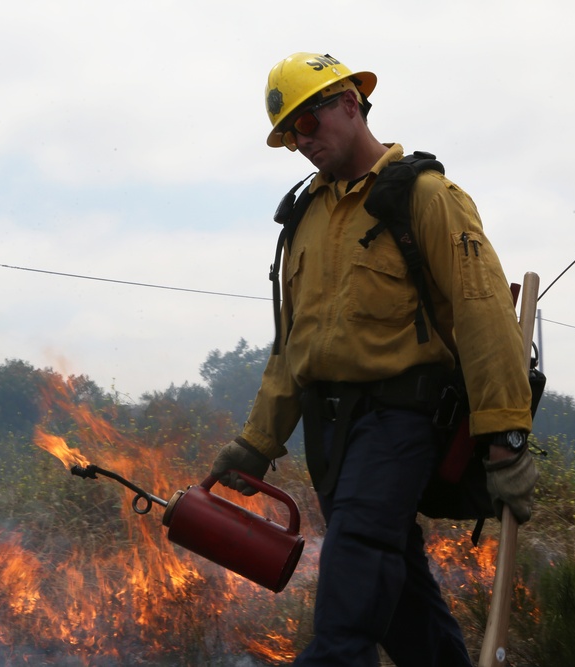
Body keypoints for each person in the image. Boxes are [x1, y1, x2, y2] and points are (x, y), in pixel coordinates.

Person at [209, 52, 538, 666]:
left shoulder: (427, 197)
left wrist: (505, 435)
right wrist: (256, 442)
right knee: (398, 588)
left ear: (350, 104)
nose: (301, 144)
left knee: (356, 560)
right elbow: (293, 345)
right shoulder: (305, 219)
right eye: (289, 137)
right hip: (327, 430)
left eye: (309, 124)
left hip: (401, 418)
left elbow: (484, 314)